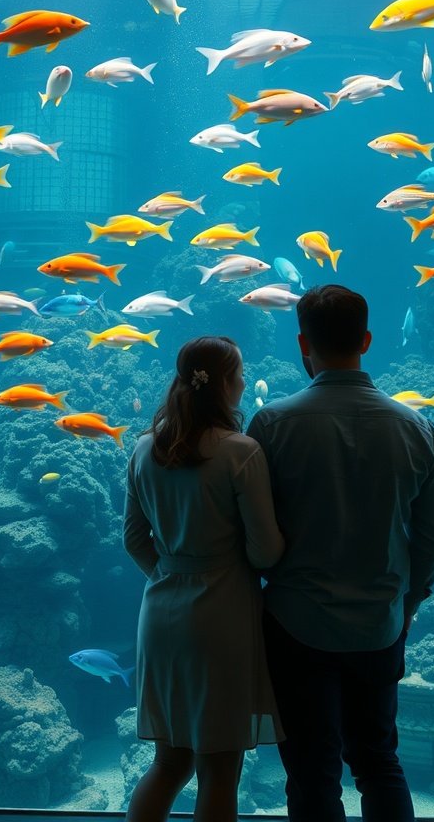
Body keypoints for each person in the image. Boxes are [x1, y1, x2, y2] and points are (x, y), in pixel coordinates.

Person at [247, 284, 434, 822]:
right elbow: (430, 537)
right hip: (380, 623)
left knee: (312, 774)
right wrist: (407, 603)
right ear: (366, 340)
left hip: (295, 624)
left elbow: (253, 531)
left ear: (302, 343)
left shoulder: (271, 425)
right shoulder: (417, 427)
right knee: (379, 761)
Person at [123, 335, 285, 822]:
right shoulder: (241, 452)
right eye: (238, 375)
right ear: (222, 386)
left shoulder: (144, 448)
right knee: (220, 769)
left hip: (160, 613)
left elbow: (134, 539)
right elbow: (266, 550)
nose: (241, 383)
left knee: (170, 763)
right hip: (222, 616)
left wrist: (173, 574)